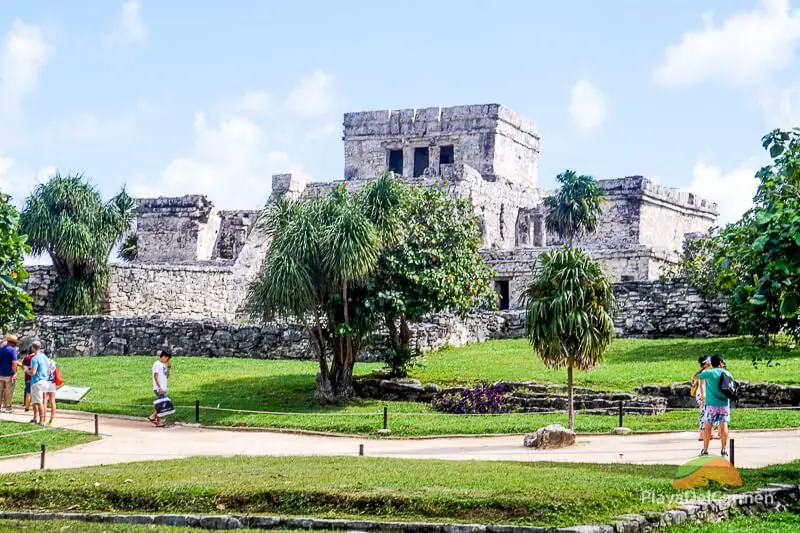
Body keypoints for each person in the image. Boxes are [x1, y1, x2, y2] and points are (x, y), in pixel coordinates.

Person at [694, 355, 734, 458]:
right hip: (724, 403)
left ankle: (705, 449)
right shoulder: (727, 373)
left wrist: (704, 368)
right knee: (723, 425)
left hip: (711, 404)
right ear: (721, 362)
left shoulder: (709, 373)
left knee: (708, 425)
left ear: (711, 363)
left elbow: (695, 377)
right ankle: (724, 450)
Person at [692, 356, 719, 441]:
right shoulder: (705, 372)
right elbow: (702, 385)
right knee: (704, 413)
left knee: (710, 413)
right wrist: (704, 397)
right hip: (704, 395)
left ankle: (711, 433)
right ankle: (702, 434)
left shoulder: (706, 371)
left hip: (707, 395)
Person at [25, 342, 49, 425]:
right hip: (45, 380)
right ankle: (35, 418)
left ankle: (41, 421)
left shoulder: (34, 359)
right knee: (36, 401)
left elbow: (33, 372)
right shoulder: (45, 357)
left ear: (33, 348)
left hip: (37, 382)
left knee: (39, 402)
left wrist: (26, 371)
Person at [149, 349, 172, 427]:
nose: (167, 360)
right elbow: (155, 376)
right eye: (167, 358)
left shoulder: (163, 365)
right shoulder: (157, 364)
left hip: (163, 388)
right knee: (163, 404)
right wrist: (159, 387)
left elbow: (167, 376)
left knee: (162, 404)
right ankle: (154, 417)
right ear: (164, 356)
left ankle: (158, 420)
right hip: (159, 388)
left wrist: (169, 367)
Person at [0, 335, 19, 413]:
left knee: (0, 391)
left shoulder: (0, 349)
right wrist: (15, 372)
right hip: (9, 374)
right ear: (14, 343)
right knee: (8, 391)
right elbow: (14, 363)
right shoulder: (12, 350)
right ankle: (8, 407)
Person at [43, 350, 58, 425]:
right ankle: (51, 419)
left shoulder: (43, 362)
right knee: (52, 401)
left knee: (44, 400)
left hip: (45, 382)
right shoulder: (53, 362)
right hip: (52, 382)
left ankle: (43, 418)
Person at [20, 347, 35, 413]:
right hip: (38, 378)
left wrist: (27, 371)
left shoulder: (26, 358)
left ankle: (27, 407)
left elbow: (23, 368)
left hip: (28, 377)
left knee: (28, 393)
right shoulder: (40, 357)